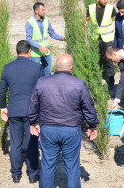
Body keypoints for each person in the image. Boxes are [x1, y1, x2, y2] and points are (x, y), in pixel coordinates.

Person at [28, 54, 99, 188]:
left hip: (48, 129)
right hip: (71, 129)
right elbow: (88, 107)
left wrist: (33, 122)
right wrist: (92, 125)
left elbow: (32, 105)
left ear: (55, 66)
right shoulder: (79, 84)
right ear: (71, 68)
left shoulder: (42, 82)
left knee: (47, 164)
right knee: (72, 166)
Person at [0, 40, 44, 184]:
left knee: (16, 143)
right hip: (31, 112)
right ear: (29, 52)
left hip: (14, 110)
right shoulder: (37, 68)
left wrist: (3, 108)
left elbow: (2, 91)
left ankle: (16, 174)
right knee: (31, 142)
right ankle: (32, 174)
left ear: (16, 52)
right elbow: (42, 91)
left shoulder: (8, 68)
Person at [85, 0, 117, 96]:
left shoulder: (110, 8)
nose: (105, 1)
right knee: (96, 60)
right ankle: (97, 83)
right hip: (95, 39)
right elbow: (86, 22)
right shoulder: (91, 8)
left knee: (109, 61)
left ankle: (111, 83)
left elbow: (116, 21)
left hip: (107, 39)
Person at [25, 2, 66, 76]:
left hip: (46, 53)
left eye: (45, 9)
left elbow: (52, 33)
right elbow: (28, 39)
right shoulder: (30, 22)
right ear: (36, 11)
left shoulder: (46, 20)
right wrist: (40, 47)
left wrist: (62, 38)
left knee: (48, 73)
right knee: (35, 74)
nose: (45, 11)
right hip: (35, 53)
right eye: (43, 10)